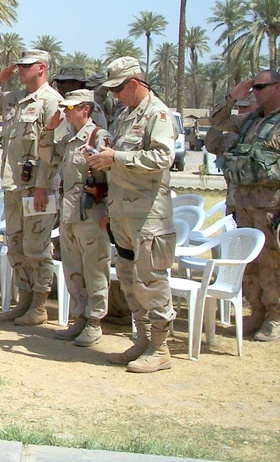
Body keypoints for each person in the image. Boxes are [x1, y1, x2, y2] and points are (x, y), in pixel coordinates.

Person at [87, 56, 176, 373]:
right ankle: (142, 340)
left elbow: (163, 156)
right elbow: (120, 160)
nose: (114, 95)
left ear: (134, 84)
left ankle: (160, 347)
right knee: (128, 278)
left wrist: (117, 157)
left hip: (148, 213)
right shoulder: (125, 115)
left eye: (117, 89)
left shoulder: (158, 114)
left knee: (151, 279)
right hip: (123, 210)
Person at [0, 49, 61, 326]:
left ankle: (39, 305)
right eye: (19, 67)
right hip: (13, 187)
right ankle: (23, 301)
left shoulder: (51, 102)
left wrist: (42, 186)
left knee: (37, 247)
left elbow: (53, 151)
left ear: (41, 68)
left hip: (38, 188)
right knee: (16, 247)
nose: (20, 70)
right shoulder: (13, 99)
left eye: (26, 66)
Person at [210, 70, 280, 342]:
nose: (256, 92)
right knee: (248, 262)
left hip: (271, 206)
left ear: (277, 88)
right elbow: (217, 122)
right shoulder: (250, 120)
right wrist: (232, 97)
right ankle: (257, 311)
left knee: (272, 262)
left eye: (261, 87)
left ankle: (275, 316)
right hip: (245, 204)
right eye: (254, 87)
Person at [44, 89, 111, 345]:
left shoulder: (99, 137)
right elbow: (47, 156)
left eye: (71, 108)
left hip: (92, 213)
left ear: (86, 109)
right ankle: (80, 316)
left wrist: (109, 213)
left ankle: (94, 321)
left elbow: (110, 179)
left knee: (94, 267)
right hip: (70, 214)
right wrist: (48, 130)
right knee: (74, 269)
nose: (66, 111)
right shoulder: (69, 139)